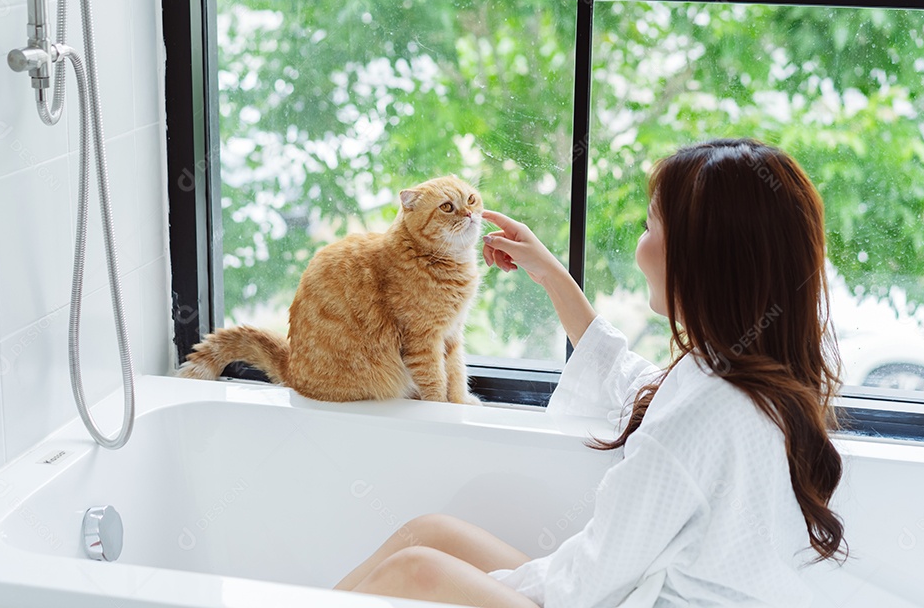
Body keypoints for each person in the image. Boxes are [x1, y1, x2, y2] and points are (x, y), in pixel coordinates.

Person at [334, 138, 847, 607]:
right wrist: (550, 273)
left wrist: (481, 589)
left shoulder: (700, 416)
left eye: (650, 226)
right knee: (428, 534)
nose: (639, 244)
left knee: (416, 571)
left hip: (612, 596)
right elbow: (631, 380)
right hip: (626, 588)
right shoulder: (745, 374)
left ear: (700, 258)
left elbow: (586, 587)